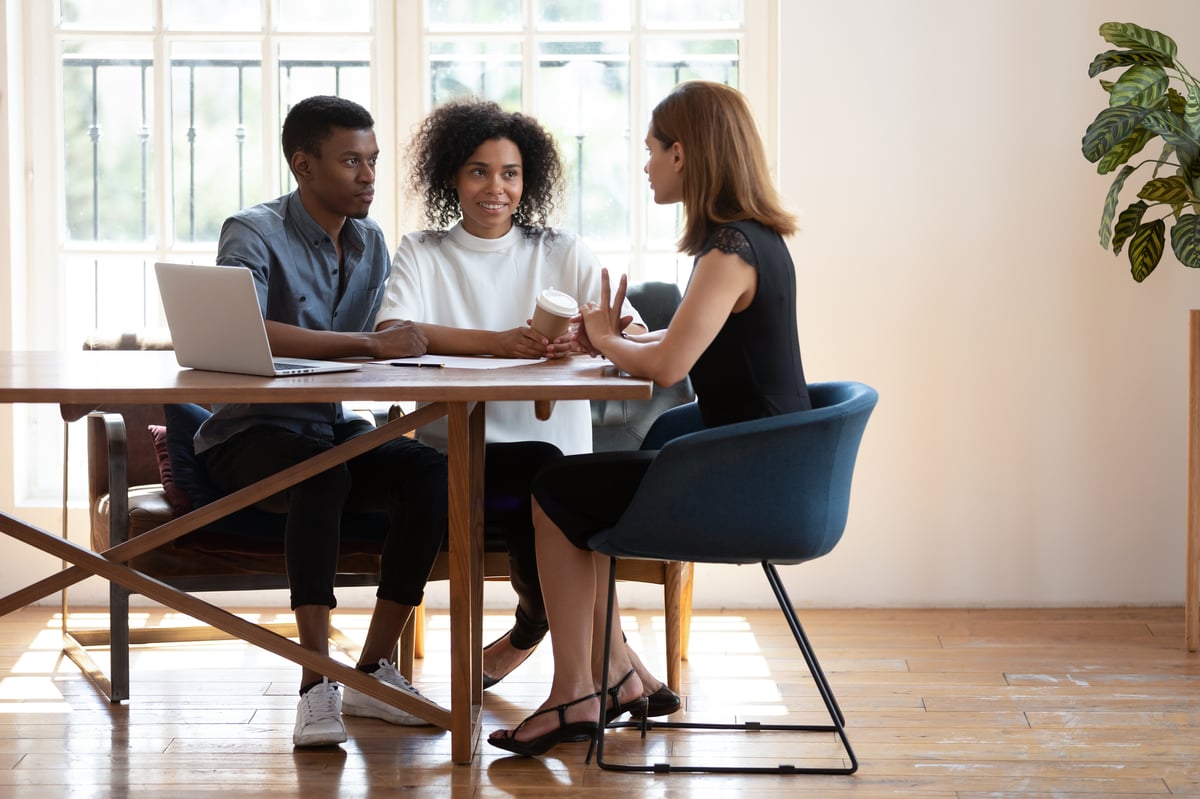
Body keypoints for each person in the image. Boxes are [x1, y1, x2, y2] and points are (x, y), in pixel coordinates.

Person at [488, 80, 810, 756]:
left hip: (749, 482)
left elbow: (667, 368)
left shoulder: (730, 253)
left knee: (555, 489)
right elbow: (670, 348)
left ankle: (580, 689)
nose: (645, 165)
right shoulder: (754, 242)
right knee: (575, 488)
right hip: (765, 467)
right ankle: (608, 678)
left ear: (684, 154)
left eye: (651, 151)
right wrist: (608, 341)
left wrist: (606, 339)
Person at [375, 99, 675, 710]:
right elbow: (394, 333)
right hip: (461, 456)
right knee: (551, 484)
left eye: (509, 173)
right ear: (452, 178)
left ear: (526, 180)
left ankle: (577, 655)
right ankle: (618, 666)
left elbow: (634, 334)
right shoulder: (423, 251)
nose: (496, 187)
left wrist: (593, 339)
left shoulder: (560, 248)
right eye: (478, 171)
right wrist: (498, 344)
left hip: (558, 455)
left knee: (557, 479)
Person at [195, 95, 448, 748]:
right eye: (350, 162)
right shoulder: (251, 231)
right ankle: (315, 683)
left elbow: (389, 333)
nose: (368, 176)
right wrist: (368, 348)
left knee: (430, 471)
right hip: (248, 438)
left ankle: (371, 671)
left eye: (372, 161)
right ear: (303, 165)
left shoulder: (372, 242)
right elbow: (244, 329)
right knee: (323, 472)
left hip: (328, 430)